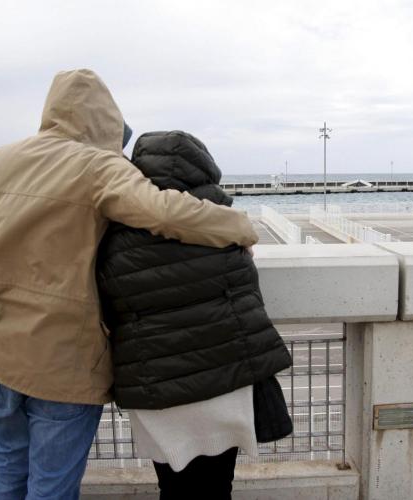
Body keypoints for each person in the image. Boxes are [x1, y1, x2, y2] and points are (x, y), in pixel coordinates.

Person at [0, 69, 258, 500]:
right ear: (106, 120)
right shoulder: (97, 165)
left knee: (9, 466)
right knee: (50, 486)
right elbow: (165, 213)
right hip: (59, 358)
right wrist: (238, 226)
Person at [97, 130, 293, 499]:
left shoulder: (113, 234)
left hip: (156, 386)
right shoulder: (224, 225)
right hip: (226, 381)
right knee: (219, 486)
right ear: (204, 168)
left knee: (172, 488)